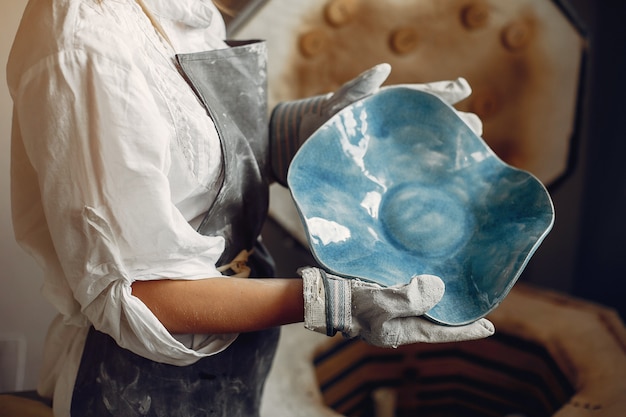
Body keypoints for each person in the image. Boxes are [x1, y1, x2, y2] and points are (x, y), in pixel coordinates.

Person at [6, 0, 495, 416]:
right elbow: (140, 294)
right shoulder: (88, 41)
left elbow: (196, 168)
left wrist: (308, 133)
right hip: (135, 381)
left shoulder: (185, 10)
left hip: (235, 361)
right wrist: (331, 303)